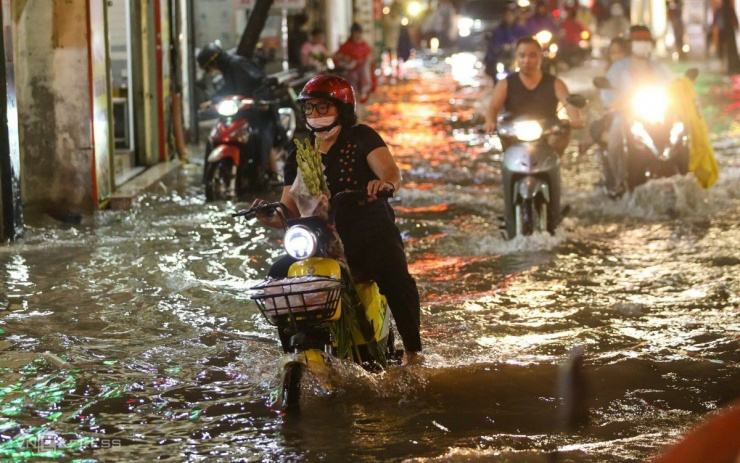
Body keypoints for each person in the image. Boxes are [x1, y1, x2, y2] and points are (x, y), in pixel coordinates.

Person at [250, 75, 423, 361]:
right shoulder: (299, 153)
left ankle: (414, 353)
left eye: (322, 108)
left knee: (395, 278)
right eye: (309, 109)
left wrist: (385, 185)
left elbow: (391, 172)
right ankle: (292, 349)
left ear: (341, 109)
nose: (314, 115)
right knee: (278, 278)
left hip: (369, 230)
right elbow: (289, 210)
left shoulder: (361, 137)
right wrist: (268, 217)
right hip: (317, 240)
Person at [601, 25, 674, 196]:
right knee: (615, 142)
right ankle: (619, 181)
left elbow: (673, 85)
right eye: (638, 40)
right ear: (631, 44)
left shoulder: (658, 67)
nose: (642, 44)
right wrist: (616, 102)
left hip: (656, 111)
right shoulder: (618, 68)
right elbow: (607, 94)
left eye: (646, 41)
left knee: (680, 131)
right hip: (627, 115)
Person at [196, 42, 282, 186]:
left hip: (259, 110)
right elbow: (228, 90)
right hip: (240, 111)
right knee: (215, 134)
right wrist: (212, 101)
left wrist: (260, 101)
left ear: (214, 62)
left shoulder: (237, 64)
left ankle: (272, 172)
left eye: (209, 68)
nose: (211, 71)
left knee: (261, 136)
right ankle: (207, 179)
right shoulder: (228, 70)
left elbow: (259, 83)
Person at [483, 37, 585, 154]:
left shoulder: (555, 83)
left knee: (562, 134)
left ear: (540, 57)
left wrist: (575, 119)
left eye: (532, 56)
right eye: (522, 56)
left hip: (547, 134)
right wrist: (490, 122)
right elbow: (493, 107)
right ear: (517, 58)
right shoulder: (505, 84)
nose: (526, 60)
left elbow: (569, 103)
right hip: (513, 134)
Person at [579, 36, 630, 156]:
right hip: (619, 111)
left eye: (621, 52)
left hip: (640, 108)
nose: (617, 56)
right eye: (614, 53)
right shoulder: (609, 75)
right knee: (603, 123)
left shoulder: (637, 68)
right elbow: (607, 100)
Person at [484, 6, 529, 81]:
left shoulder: (521, 29)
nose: (508, 17)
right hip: (502, 58)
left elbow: (527, 40)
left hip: (516, 57)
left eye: (510, 15)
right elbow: (492, 46)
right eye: (506, 15)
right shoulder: (497, 30)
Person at [334, 23, 375, 103]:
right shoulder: (346, 46)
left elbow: (369, 57)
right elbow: (337, 58)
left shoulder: (364, 45)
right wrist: (346, 59)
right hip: (351, 74)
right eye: (356, 33)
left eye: (359, 33)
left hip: (363, 75)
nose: (358, 36)